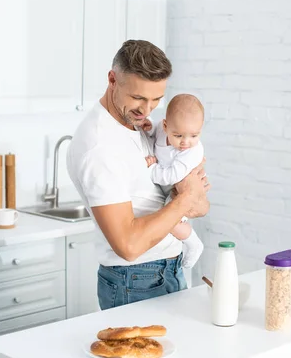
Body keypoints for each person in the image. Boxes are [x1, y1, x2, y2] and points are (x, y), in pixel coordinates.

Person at [66, 40, 210, 310]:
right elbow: (129, 245)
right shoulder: (99, 148)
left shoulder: (138, 126)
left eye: (156, 99)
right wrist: (187, 197)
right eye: (138, 98)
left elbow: (200, 204)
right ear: (112, 79)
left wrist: (190, 198)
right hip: (134, 280)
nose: (147, 110)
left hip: (167, 268)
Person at [141, 94, 206, 270]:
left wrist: (151, 169)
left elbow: (171, 176)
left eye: (194, 135)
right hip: (164, 187)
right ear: (165, 126)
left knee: (171, 221)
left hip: (177, 191)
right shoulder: (162, 130)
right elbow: (156, 132)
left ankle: (194, 243)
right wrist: (150, 127)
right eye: (178, 135)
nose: (186, 142)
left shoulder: (192, 152)